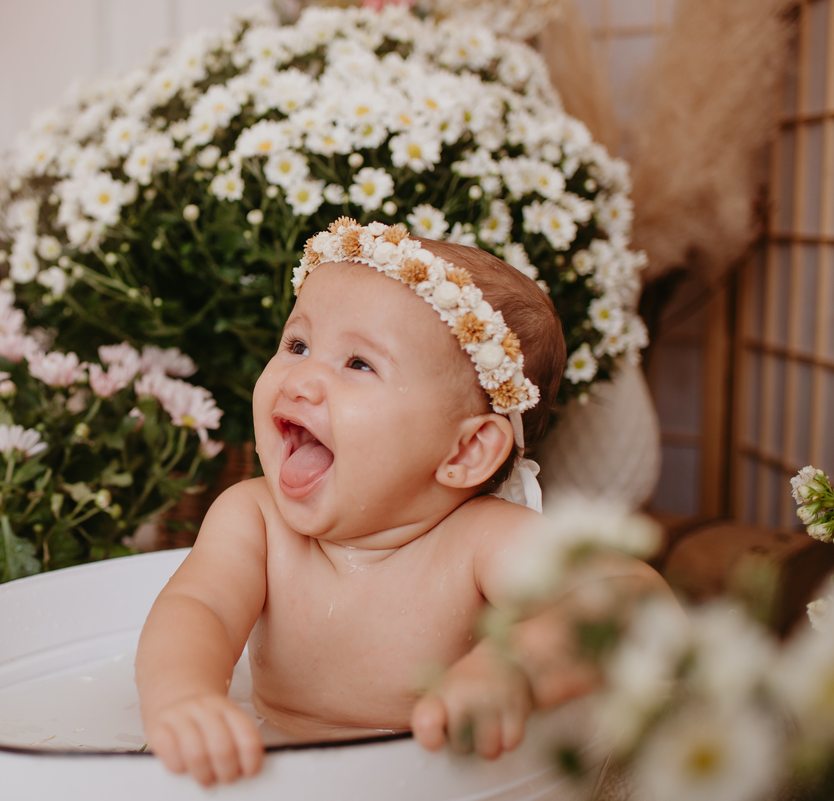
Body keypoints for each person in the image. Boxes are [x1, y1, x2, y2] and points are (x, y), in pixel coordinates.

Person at [135, 217, 670, 786]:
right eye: (298, 344)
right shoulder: (255, 518)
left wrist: (517, 667)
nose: (302, 379)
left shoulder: (480, 541)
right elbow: (200, 609)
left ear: (465, 451)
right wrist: (184, 696)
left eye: (359, 363)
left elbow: (629, 599)